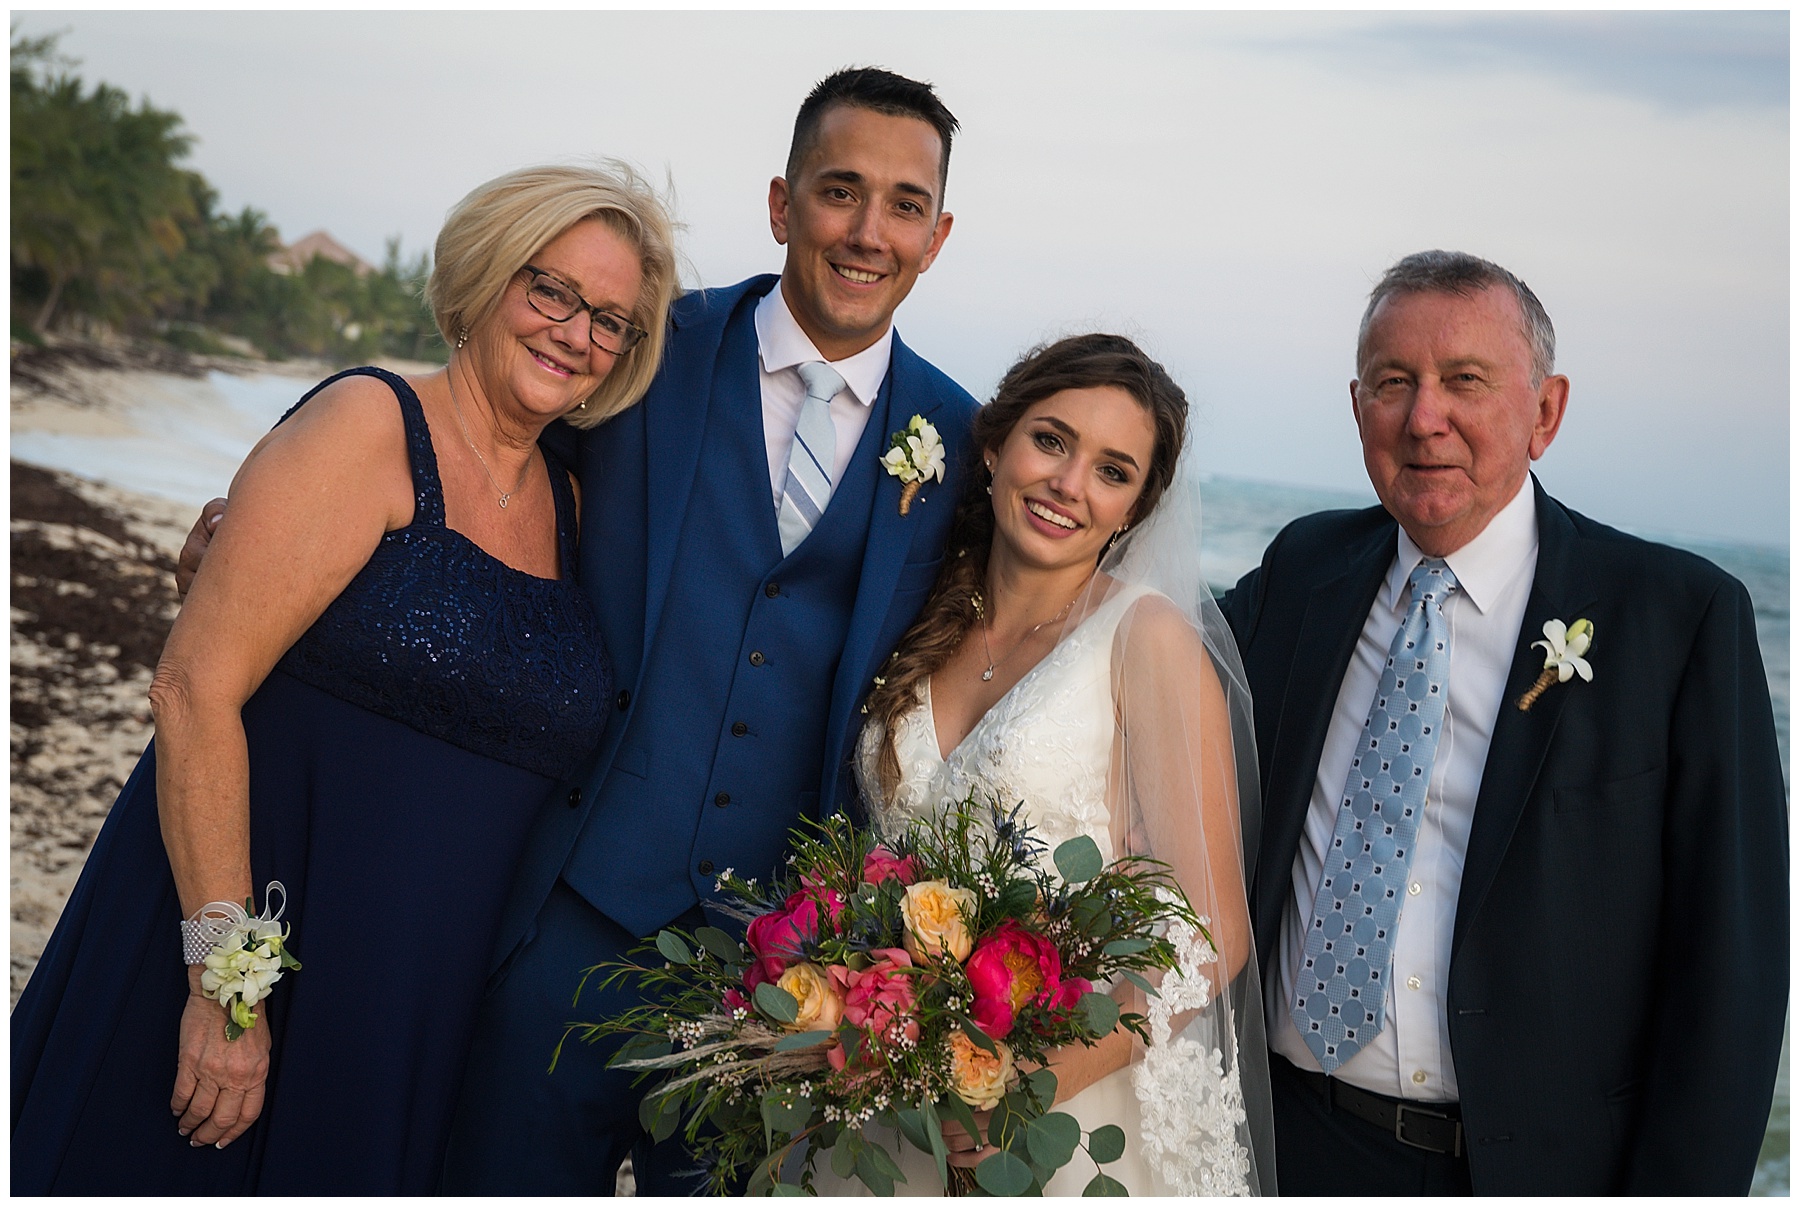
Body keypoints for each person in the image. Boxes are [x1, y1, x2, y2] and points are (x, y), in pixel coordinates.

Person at [10, 163, 680, 1194]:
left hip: (415, 999)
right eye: (549, 288)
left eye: (609, 319)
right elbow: (194, 688)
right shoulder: (366, 427)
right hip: (252, 931)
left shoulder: (584, 510)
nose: (574, 331)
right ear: (487, 275)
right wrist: (226, 991)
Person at [1220, 250, 1788, 1194]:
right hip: (1284, 1145)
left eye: (1465, 381)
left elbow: (1729, 977)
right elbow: (1146, 688)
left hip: (1532, 1169)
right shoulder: (1301, 571)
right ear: (1358, 408)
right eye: (1393, 382)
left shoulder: (1679, 619)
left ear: (1545, 412)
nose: (1424, 417)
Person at [830, 334, 1276, 1195]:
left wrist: (1026, 1090)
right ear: (995, 445)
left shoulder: (1147, 638)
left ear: (1134, 509)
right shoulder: (922, 620)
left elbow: (1214, 933)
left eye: (1113, 471)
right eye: (1052, 440)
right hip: (898, 1099)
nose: (1070, 484)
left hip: (1068, 1111)